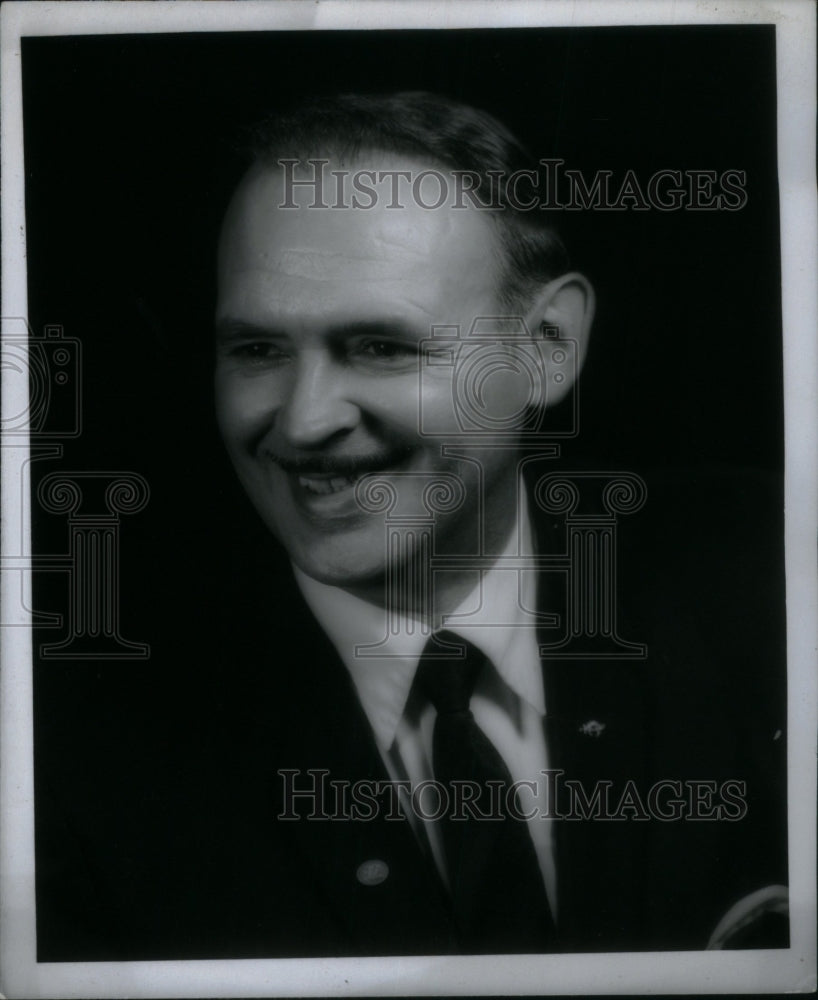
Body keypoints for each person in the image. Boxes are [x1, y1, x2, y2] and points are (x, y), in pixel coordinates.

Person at [34, 92, 788, 961]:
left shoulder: (764, 573)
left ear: (546, 346)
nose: (304, 421)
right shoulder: (72, 760)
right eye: (257, 350)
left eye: (382, 346)